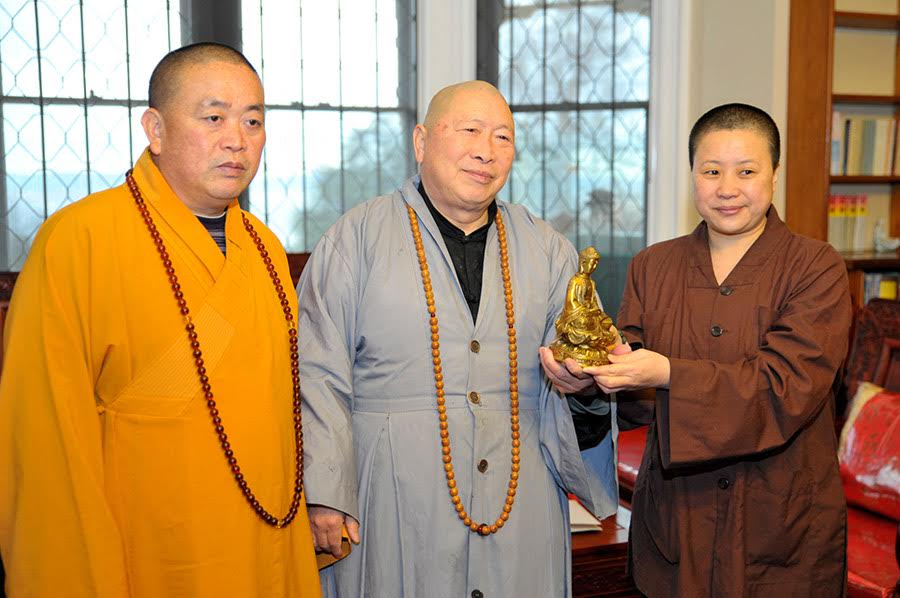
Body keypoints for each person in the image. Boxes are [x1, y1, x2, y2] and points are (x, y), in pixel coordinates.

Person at [0, 43, 321, 597]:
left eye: (253, 121)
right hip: (148, 558)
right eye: (214, 117)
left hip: (260, 547)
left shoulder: (264, 249)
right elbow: (45, 445)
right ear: (156, 128)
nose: (236, 139)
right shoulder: (80, 241)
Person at [297, 80, 618, 597]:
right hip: (392, 498)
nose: (485, 151)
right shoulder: (354, 238)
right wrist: (325, 491)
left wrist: (584, 388)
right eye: (469, 130)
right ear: (421, 142)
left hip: (520, 500)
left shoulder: (550, 250)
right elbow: (317, 372)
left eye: (502, 137)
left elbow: (589, 369)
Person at [544, 103, 852, 596]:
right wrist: (587, 380)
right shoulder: (653, 267)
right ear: (692, 175)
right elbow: (632, 395)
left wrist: (666, 372)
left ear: (774, 173)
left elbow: (785, 388)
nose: (727, 187)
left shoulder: (816, 268)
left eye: (746, 170)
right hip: (676, 521)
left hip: (780, 526)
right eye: (711, 171)